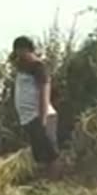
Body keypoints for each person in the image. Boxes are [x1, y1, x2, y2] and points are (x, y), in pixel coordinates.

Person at [10, 36, 60, 174]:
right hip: (29, 117)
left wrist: (42, 120)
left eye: (20, 51)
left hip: (40, 115)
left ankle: (55, 180)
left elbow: (44, 93)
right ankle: (44, 180)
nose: (18, 55)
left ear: (27, 49)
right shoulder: (22, 68)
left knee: (50, 153)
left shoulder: (38, 67)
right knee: (39, 153)